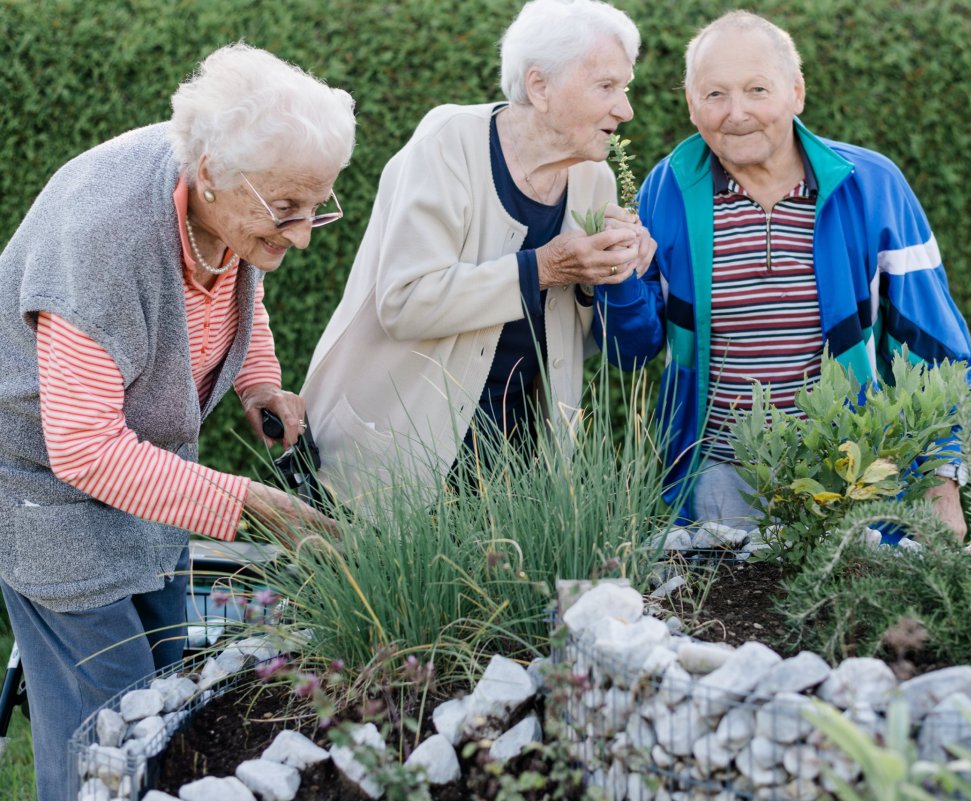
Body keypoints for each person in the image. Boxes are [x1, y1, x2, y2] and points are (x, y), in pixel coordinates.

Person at [0, 44, 352, 800]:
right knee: (109, 728)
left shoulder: (230, 198)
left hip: (147, 485)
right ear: (212, 174)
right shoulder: (102, 236)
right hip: (49, 496)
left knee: (168, 695)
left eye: (316, 204)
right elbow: (86, 449)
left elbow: (235, 285)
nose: (302, 234)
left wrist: (261, 383)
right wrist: (250, 503)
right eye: (287, 210)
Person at [593, 11, 971, 540]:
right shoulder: (667, 190)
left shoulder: (872, 186)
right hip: (716, 485)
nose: (737, 113)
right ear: (691, 104)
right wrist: (617, 278)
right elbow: (630, 351)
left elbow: (937, 350)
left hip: (854, 480)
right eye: (715, 95)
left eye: (757, 89)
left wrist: (941, 486)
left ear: (796, 92)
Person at [302, 0, 654, 499]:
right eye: (606, 87)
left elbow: (590, 342)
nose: (625, 109)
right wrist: (545, 268)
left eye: (625, 88)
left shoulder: (594, 179)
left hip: (513, 471)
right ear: (540, 86)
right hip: (390, 463)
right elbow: (405, 302)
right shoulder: (449, 141)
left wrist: (619, 272)